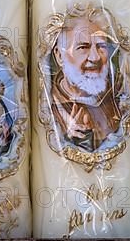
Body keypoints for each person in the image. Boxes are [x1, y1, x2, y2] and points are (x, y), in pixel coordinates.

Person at [50, 12, 122, 152]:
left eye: (101, 46)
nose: (95, 58)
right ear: (59, 56)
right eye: (83, 47)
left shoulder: (118, 96)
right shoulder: (50, 105)